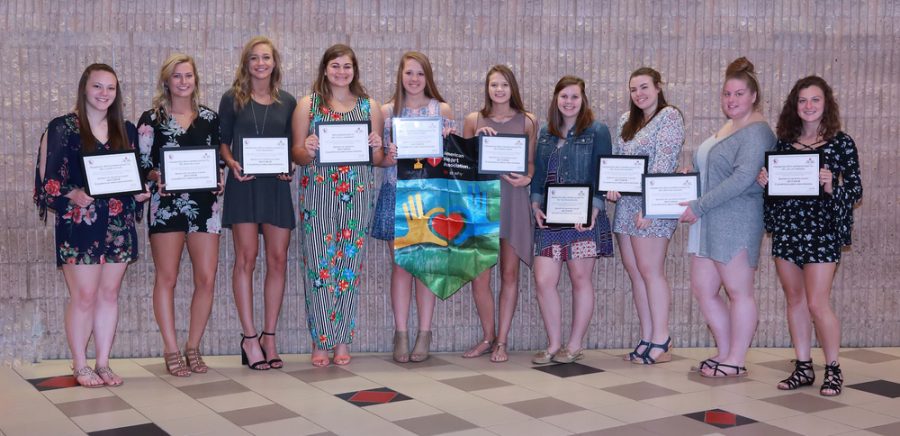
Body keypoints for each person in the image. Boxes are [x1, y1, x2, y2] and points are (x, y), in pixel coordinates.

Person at [34, 63, 150, 387]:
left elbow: (134, 176)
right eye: (98, 86)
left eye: (110, 88)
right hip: (79, 223)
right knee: (84, 295)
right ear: (85, 87)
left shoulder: (125, 129)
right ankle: (80, 364)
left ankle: (103, 362)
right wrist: (72, 193)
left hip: (117, 222)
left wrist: (141, 193)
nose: (104, 94)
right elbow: (48, 182)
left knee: (109, 294)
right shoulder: (62, 128)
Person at [757, 76, 862, 396]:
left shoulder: (842, 142)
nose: (809, 106)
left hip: (822, 232)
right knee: (795, 301)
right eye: (802, 101)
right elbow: (775, 195)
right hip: (789, 231)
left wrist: (832, 184)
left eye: (815, 100)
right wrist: (766, 183)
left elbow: (856, 190)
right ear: (795, 106)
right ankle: (803, 367)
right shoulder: (783, 144)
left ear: (826, 104)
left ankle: (833, 369)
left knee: (818, 303)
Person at [679, 57, 776, 377]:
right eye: (726, 94)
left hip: (736, 219)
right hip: (709, 219)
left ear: (753, 96)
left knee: (738, 291)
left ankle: (736, 359)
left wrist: (699, 205)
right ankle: (724, 351)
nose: (731, 100)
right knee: (703, 289)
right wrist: (689, 176)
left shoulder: (758, 132)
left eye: (738, 94)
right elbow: (714, 171)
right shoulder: (728, 127)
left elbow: (743, 178)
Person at [292, 44, 384, 367]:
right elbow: (297, 155)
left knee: (348, 268)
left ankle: (342, 338)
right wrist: (308, 148)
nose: (341, 72)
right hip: (318, 195)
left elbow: (378, 159)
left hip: (357, 195)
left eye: (347, 66)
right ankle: (321, 340)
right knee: (318, 268)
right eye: (335, 66)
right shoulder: (308, 104)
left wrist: (378, 146)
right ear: (325, 69)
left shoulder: (369, 106)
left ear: (355, 70)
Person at [137, 53, 222, 377]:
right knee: (167, 278)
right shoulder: (151, 119)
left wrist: (219, 177)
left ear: (195, 80)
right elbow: (142, 165)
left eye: (188, 76)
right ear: (167, 81)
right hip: (166, 207)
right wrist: (159, 177)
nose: (183, 82)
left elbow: (218, 162)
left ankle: (193, 347)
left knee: (206, 278)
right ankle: (171, 349)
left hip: (205, 207)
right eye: (177, 76)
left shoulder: (210, 119)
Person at [371, 51, 454, 363]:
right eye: (409, 73)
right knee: (401, 266)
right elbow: (377, 158)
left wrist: (450, 140)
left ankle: (425, 332)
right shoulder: (386, 110)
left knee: (425, 267)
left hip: (430, 196)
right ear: (400, 76)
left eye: (420, 73)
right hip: (397, 191)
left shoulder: (441, 109)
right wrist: (388, 155)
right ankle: (401, 332)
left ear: (427, 77)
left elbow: (453, 158)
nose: (415, 79)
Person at [219, 36, 296, 370]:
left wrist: (291, 165)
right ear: (246, 64)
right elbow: (222, 143)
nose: (261, 63)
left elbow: (293, 147)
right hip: (244, 185)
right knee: (245, 259)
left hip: (276, 187)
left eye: (266, 57)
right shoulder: (231, 99)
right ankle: (249, 338)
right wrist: (232, 162)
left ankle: (270, 336)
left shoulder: (289, 102)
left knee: (278, 260)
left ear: (275, 62)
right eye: (254, 58)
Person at [530, 76, 613, 364]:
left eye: (574, 97)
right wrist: (535, 204)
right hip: (550, 219)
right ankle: (553, 344)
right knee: (543, 279)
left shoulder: (597, 130)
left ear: (583, 99)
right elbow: (539, 176)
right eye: (563, 96)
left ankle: (574, 344)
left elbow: (603, 172)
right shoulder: (545, 132)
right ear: (556, 99)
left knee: (580, 278)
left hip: (583, 219)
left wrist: (595, 209)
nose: (568, 102)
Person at [606, 67, 684, 365]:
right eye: (633, 89)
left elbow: (664, 163)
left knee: (651, 271)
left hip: (653, 204)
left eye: (644, 87)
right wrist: (610, 184)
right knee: (636, 271)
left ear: (658, 87)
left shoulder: (670, 116)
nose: (639, 94)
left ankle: (662, 338)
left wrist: (651, 207)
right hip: (626, 206)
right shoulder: (627, 120)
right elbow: (616, 159)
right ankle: (647, 336)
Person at [462, 65, 537, 363]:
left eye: (504, 85)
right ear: (487, 88)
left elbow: (530, 163)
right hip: (482, 202)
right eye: (494, 85)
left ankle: (502, 341)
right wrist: (474, 141)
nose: (499, 90)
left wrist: (528, 178)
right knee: (479, 278)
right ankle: (487, 336)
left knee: (509, 273)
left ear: (512, 88)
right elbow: (462, 165)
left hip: (514, 199)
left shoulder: (528, 121)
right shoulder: (473, 120)